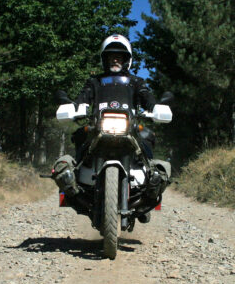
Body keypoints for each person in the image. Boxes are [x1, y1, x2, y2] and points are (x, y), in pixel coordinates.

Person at [52, 34, 169, 204]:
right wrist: (73, 107)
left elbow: (146, 96)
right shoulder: (95, 81)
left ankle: (151, 179)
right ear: (104, 59)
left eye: (119, 57)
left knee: (147, 136)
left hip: (130, 127)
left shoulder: (136, 82)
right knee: (79, 135)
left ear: (126, 60)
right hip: (98, 126)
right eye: (111, 57)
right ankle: (73, 181)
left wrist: (156, 107)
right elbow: (83, 97)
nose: (115, 60)